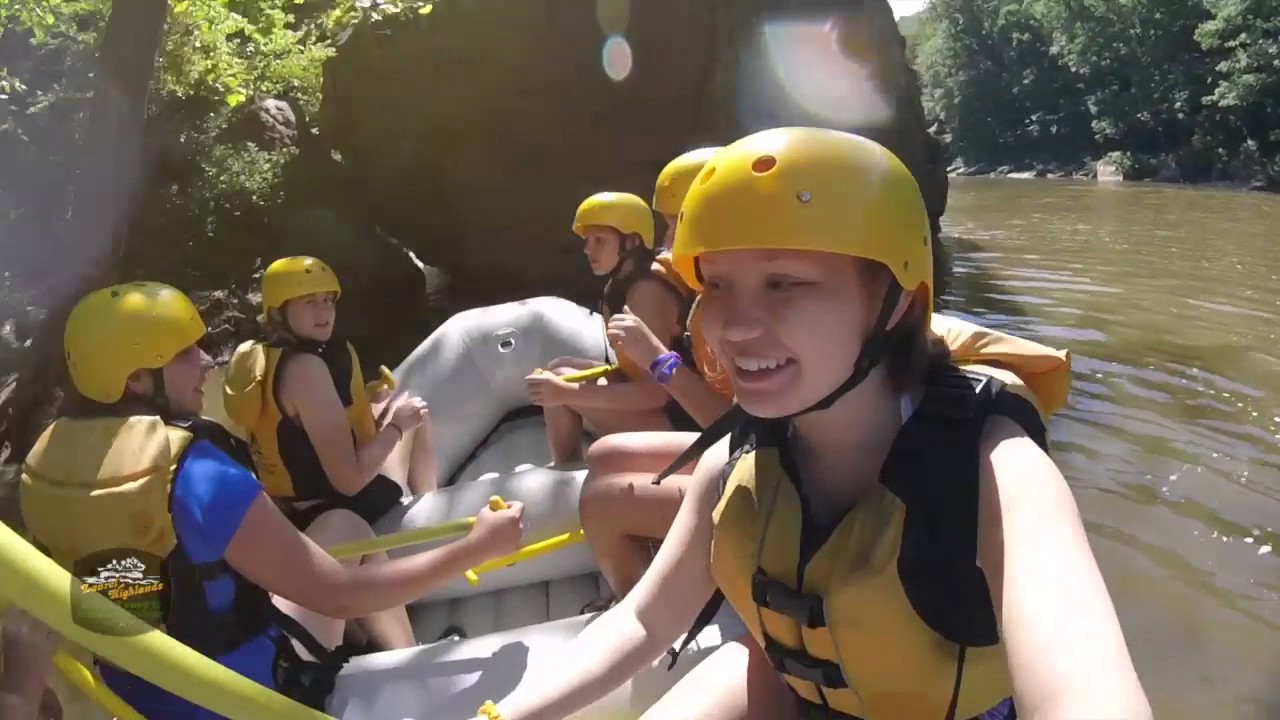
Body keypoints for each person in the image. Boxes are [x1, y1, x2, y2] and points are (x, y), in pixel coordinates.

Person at [469, 127, 1150, 720]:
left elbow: (1085, 691)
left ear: (896, 304)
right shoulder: (734, 457)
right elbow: (645, 621)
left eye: (786, 283)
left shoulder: (997, 466)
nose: (733, 326)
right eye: (718, 286)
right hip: (787, 688)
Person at [20, 281, 524, 719]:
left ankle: (384, 650)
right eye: (184, 354)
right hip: (247, 697)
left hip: (143, 696)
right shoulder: (196, 473)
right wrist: (476, 547)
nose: (207, 361)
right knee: (345, 542)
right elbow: (336, 596)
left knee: (344, 526)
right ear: (135, 379)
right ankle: (415, 672)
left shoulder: (44, 465)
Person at [222, 256, 437, 652]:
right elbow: (349, 480)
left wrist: (367, 409)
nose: (324, 313)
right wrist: (396, 426)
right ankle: (430, 515)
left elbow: (296, 430)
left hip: (294, 507)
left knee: (395, 407)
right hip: (341, 505)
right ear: (279, 311)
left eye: (328, 301)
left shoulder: (257, 357)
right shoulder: (307, 370)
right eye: (309, 303)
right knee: (415, 412)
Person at [577, 148, 737, 606]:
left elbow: (739, 429)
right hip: (741, 445)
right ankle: (659, 553)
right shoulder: (710, 297)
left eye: (676, 223)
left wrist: (657, 358)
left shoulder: (733, 311)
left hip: (766, 470)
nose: (666, 239)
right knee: (606, 454)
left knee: (599, 504)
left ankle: (641, 608)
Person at [526, 192, 696, 465]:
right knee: (560, 367)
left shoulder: (646, 293)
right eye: (587, 241)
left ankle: (566, 469)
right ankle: (564, 467)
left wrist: (564, 393)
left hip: (680, 424)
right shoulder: (621, 285)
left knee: (561, 384)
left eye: (600, 240)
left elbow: (656, 393)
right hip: (663, 407)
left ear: (631, 242)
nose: (587, 250)